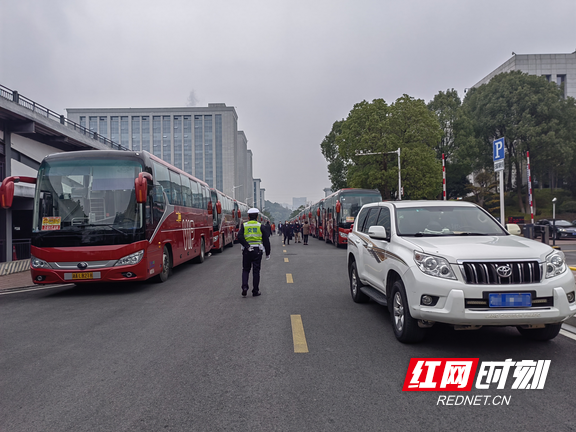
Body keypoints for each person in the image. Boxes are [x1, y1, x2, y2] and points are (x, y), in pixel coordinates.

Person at [237, 208, 271, 297]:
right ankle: (255, 291)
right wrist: (268, 253)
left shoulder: (244, 225)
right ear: (257, 216)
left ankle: (244, 287)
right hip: (257, 251)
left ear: (248, 216)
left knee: (245, 269)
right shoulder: (260, 226)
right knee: (256, 271)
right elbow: (266, 240)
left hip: (247, 250)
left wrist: (246, 245)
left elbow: (239, 237)